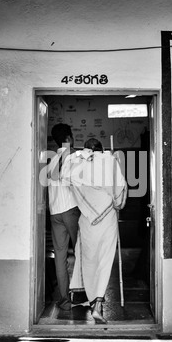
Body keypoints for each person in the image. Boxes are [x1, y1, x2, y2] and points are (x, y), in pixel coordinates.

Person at [61, 137, 128, 323]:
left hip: (87, 220)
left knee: (88, 262)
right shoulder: (108, 161)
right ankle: (98, 303)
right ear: (101, 149)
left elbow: (64, 180)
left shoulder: (74, 165)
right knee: (104, 261)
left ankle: (92, 302)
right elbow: (119, 199)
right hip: (107, 219)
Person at [47, 123, 81, 311]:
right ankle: (87, 294)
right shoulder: (74, 156)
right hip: (71, 210)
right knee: (82, 252)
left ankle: (64, 300)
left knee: (60, 256)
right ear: (69, 138)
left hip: (55, 213)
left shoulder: (51, 160)